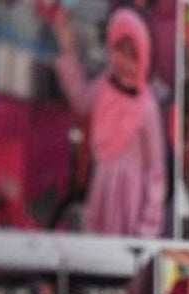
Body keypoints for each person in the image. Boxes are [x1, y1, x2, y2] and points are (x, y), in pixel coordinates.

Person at [51, 7, 166, 237]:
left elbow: (156, 172)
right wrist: (66, 44)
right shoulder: (104, 87)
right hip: (102, 192)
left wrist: (148, 227)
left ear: (143, 56)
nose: (125, 62)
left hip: (132, 203)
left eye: (133, 55)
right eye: (119, 51)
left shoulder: (147, 106)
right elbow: (81, 99)